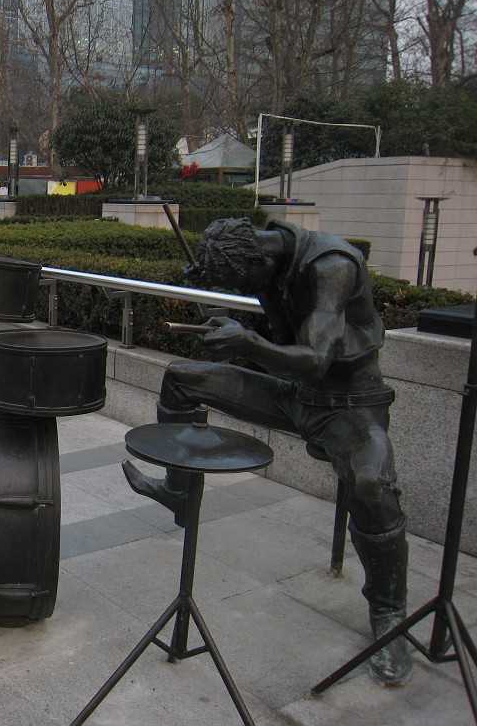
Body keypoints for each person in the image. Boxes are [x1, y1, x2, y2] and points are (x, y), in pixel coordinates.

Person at [123, 217, 411, 685]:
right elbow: (285, 352)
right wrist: (230, 328)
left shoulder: (330, 267)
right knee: (181, 377)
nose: (244, 290)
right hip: (291, 392)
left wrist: (246, 342)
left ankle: (390, 612)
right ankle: (179, 494)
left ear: (259, 258)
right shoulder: (266, 258)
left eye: (241, 282)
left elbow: (317, 360)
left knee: (372, 484)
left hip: (348, 406)